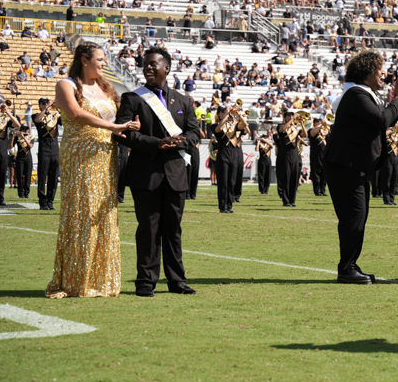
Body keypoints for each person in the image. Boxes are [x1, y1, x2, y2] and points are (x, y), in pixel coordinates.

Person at [46, 42, 140, 298]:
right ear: (84, 59)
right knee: (81, 211)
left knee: (102, 213)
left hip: (105, 156)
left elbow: (119, 120)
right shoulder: (66, 85)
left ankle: (101, 279)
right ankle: (76, 280)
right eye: (100, 59)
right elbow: (76, 114)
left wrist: (133, 124)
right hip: (79, 156)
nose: (105, 64)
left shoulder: (106, 87)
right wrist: (114, 128)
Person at [113, 47, 200, 297]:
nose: (148, 67)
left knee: (173, 230)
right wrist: (156, 143)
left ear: (167, 68)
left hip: (176, 174)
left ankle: (177, 281)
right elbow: (123, 133)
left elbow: (194, 132)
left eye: (153, 64)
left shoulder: (184, 101)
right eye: (145, 64)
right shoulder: (132, 98)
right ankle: (145, 281)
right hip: (146, 173)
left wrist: (180, 142)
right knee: (148, 230)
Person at [324, 50, 398, 284]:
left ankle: (351, 265)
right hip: (345, 165)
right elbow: (383, 119)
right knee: (353, 217)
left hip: (355, 166)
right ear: (367, 73)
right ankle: (345, 269)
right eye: (379, 70)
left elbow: (381, 121)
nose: (383, 74)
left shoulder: (362, 93)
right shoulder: (356, 94)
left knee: (359, 217)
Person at [212, 102, 248, 213]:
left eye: (226, 111)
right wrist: (227, 115)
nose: (226, 112)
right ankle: (223, 206)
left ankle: (229, 205)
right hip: (223, 153)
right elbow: (218, 129)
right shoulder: (215, 125)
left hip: (233, 153)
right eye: (223, 111)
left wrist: (239, 114)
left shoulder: (234, 125)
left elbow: (244, 125)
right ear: (219, 114)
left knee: (232, 181)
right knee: (223, 181)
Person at [32, 97, 61, 209]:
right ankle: (42, 202)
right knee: (42, 175)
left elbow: (65, 121)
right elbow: (37, 120)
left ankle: (50, 201)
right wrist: (46, 109)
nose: (46, 105)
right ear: (40, 105)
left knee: (54, 177)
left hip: (54, 147)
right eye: (43, 103)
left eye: (47, 103)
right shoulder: (35, 115)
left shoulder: (55, 116)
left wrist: (57, 108)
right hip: (44, 147)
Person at [276, 111, 305, 206]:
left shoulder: (296, 127)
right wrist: (292, 119)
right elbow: (282, 129)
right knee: (286, 177)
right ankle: (286, 200)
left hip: (295, 154)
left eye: (292, 115)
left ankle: (292, 200)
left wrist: (302, 123)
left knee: (294, 177)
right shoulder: (280, 125)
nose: (291, 116)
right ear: (285, 117)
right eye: (289, 115)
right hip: (285, 153)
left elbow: (305, 135)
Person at [0, 102, 21, 206]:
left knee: (2, 174)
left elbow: (17, 125)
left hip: (2, 148)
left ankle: (0, 198)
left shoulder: (5, 119)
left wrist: (8, 113)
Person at [11, 124, 33, 198]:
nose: (26, 131)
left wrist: (23, 137)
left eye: (27, 129)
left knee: (28, 175)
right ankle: (20, 192)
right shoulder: (18, 137)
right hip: (20, 158)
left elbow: (30, 146)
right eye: (24, 129)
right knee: (19, 175)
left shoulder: (31, 137)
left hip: (28, 158)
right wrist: (13, 137)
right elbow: (10, 146)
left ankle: (27, 192)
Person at [308, 117, 328, 196]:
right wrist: (321, 125)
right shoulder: (311, 130)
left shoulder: (323, 132)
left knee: (324, 173)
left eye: (320, 122)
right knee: (316, 173)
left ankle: (323, 190)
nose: (319, 123)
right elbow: (313, 132)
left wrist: (325, 125)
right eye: (317, 122)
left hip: (324, 155)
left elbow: (330, 131)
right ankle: (317, 191)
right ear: (314, 123)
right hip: (315, 155)